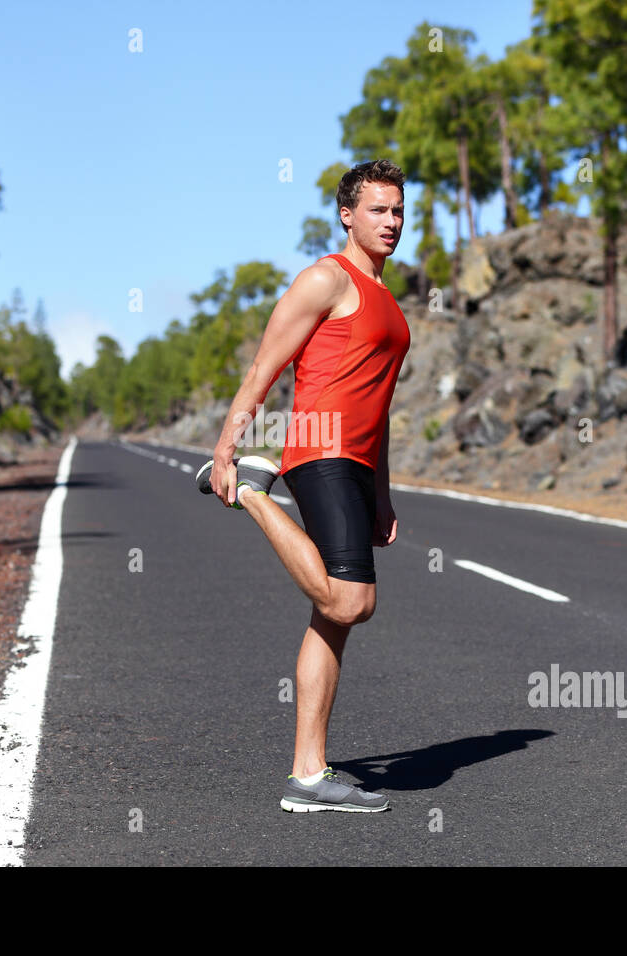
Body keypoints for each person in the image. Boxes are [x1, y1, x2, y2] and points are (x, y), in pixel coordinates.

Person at [195, 159, 411, 812]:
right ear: (348, 214)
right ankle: (256, 495)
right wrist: (229, 446)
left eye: (399, 211)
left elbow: (381, 407)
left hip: (356, 460)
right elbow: (267, 362)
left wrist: (383, 493)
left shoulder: (389, 302)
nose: (392, 222)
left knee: (331, 619)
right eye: (378, 210)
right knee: (353, 603)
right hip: (321, 449)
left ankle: (308, 776)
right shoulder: (326, 278)